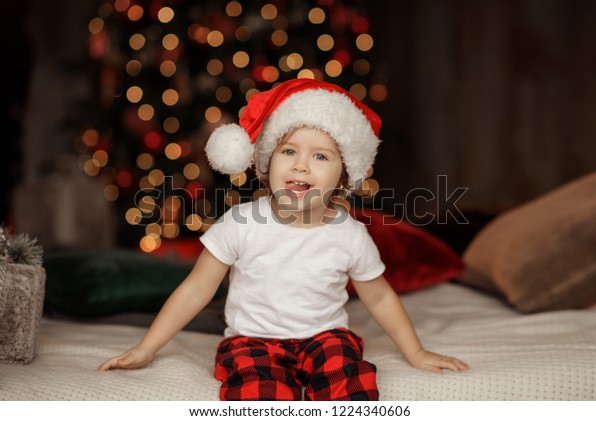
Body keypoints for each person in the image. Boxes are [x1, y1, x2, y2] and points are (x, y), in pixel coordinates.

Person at [97, 79, 469, 400]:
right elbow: (196, 290)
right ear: (266, 162)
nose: (301, 165)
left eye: (320, 156)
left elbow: (381, 296)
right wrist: (146, 348)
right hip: (253, 341)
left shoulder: (350, 234)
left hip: (324, 336)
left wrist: (416, 352)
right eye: (288, 151)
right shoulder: (240, 223)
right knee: (260, 392)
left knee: (349, 375)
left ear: (343, 176)